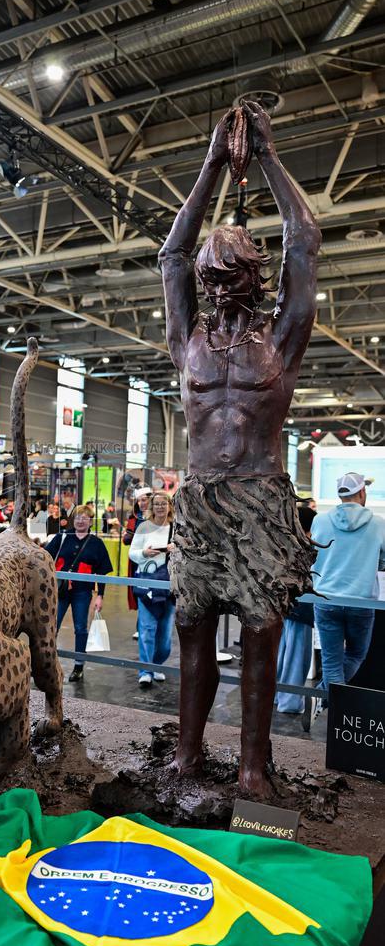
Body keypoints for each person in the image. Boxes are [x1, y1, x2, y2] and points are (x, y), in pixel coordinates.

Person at [159, 100, 321, 796]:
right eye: (210, 277)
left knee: (261, 631)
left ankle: (254, 768)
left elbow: (305, 238)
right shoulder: (187, 341)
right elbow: (168, 252)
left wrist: (269, 156)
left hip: (260, 499)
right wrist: (208, 166)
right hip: (198, 501)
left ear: (255, 281)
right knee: (191, 629)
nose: (218, 287)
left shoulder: (280, 340)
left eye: (232, 277)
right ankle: (186, 756)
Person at [309, 472, 385, 706]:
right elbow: (383, 562)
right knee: (355, 655)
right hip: (361, 602)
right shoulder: (379, 524)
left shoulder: (320, 520)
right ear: (362, 492)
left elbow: (313, 554)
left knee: (331, 663)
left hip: (325, 600)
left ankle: (321, 698)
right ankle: (331, 708)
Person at [45, 504, 113, 682]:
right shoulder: (61, 538)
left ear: (91, 521)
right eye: (77, 517)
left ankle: (79, 665)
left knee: (80, 628)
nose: (80, 520)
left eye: (84, 517)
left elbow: (102, 571)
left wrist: (100, 595)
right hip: (59, 591)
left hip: (82, 592)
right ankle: (46, 663)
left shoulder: (96, 543)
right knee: (52, 627)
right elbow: (44, 558)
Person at [129, 492, 176, 688]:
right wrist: (144, 553)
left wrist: (176, 549)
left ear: (169, 506)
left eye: (163, 503)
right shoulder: (143, 527)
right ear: (151, 507)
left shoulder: (176, 529)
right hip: (147, 584)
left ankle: (157, 664)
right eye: (156, 504)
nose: (160, 507)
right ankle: (145, 670)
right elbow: (132, 553)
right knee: (147, 630)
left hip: (169, 587)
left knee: (165, 636)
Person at [276, 506, 316, 714]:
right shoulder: (308, 548)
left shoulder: (283, 542)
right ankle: (290, 702)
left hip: (282, 605)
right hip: (302, 606)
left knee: (282, 653)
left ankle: (277, 696)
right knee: (296, 657)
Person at [122, 486, 153, 636]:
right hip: (137, 560)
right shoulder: (134, 518)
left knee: (153, 591)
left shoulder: (158, 517)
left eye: (144, 500)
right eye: (139, 500)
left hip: (154, 560)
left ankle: (147, 625)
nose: (141, 503)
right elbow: (126, 539)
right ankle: (141, 626)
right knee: (139, 591)